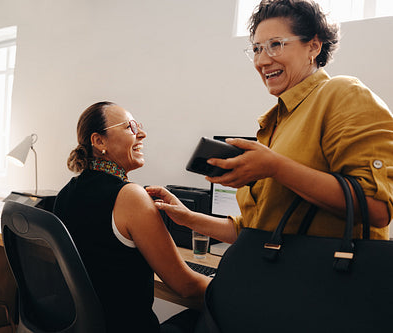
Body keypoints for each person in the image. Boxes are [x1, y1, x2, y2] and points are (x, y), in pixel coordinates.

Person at [147, 0, 393, 247]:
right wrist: (187, 217)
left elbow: (377, 209)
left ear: (314, 46)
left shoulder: (343, 93)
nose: (261, 61)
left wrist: (276, 168)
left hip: (323, 279)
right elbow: (255, 231)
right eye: (256, 49)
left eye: (275, 45)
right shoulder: (275, 122)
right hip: (273, 277)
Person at [53, 101, 211, 333]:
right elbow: (186, 286)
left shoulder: (66, 193)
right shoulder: (130, 196)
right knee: (215, 314)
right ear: (99, 141)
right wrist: (234, 286)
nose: (142, 134)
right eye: (130, 127)